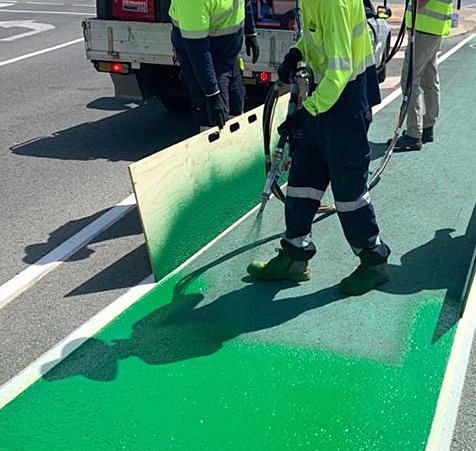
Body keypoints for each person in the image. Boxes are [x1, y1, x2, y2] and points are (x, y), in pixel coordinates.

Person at [247, 0, 391, 296]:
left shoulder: (333, 3)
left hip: (346, 105)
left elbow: (340, 71)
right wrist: (297, 52)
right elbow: (315, 38)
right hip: (323, 101)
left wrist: (306, 112)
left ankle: (373, 261)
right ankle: (295, 257)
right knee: (302, 181)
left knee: (349, 192)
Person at [169, 0, 260, 131]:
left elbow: (244, 2)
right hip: (206, 65)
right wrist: (212, 96)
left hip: (230, 59)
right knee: (214, 125)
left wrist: (250, 32)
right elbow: (198, 53)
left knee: (236, 119)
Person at [393, 0, 453, 151]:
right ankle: (427, 125)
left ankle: (414, 134)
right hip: (433, 27)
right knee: (429, 77)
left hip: (423, 27)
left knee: (410, 80)